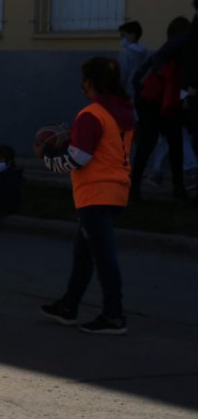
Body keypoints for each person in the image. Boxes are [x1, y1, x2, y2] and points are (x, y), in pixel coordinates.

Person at [40, 57, 134, 335]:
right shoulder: (122, 112)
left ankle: (113, 315)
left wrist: (47, 156)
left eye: (84, 80)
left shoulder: (91, 114)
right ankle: (68, 306)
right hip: (116, 190)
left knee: (103, 257)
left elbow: (78, 158)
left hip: (95, 193)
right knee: (84, 253)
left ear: (90, 82)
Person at [130, 16, 192, 201]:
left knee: (151, 144)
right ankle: (177, 188)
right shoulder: (177, 51)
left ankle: (135, 189)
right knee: (170, 144)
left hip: (153, 102)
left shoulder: (166, 52)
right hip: (156, 102)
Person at [117, 21, 148, 99]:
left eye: (123, 35)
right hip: (142, 90)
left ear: (133, 35)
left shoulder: (126, 53)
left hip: (128, 92)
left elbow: (122, 74)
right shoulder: (144, 52)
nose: (121, 38)